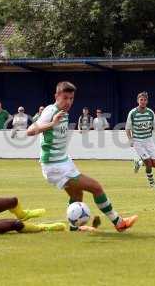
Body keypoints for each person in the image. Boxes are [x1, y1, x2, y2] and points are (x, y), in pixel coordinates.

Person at [26, 81, 137, 232]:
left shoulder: (63, 112)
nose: (69, 102)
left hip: (63, 161)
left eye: (71, 98)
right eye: (65, 98)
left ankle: (74, 228)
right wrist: (52, 123)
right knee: (96, 187)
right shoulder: (50, 111)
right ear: (56, 96)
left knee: (77, 196)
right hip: (55, 166)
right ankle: (119, 222)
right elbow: (30, 130)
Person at [125, 92, 155, 188]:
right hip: (138, 141)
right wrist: (130, 140)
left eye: (144, 100)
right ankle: (151, 183)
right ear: (138, 101)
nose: (143, 101)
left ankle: (139, 162)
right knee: (149, 164)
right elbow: (127, 128)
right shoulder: (132, 113)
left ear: (147, 101)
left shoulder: (150, 112)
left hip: (148, 140)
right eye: (141, 100)